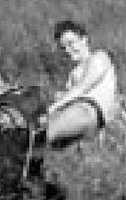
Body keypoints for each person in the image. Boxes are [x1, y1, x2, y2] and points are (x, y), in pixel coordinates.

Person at [44, 19, 120, 147]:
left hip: (89, 110)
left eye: (71, 43)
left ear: (84, 39)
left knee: (42, 132)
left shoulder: (99, 57)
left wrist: (53, 107)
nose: (68, 50)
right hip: (76, 114)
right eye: (63, 47)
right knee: (33, 131)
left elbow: (83, 87)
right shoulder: (73, 73)